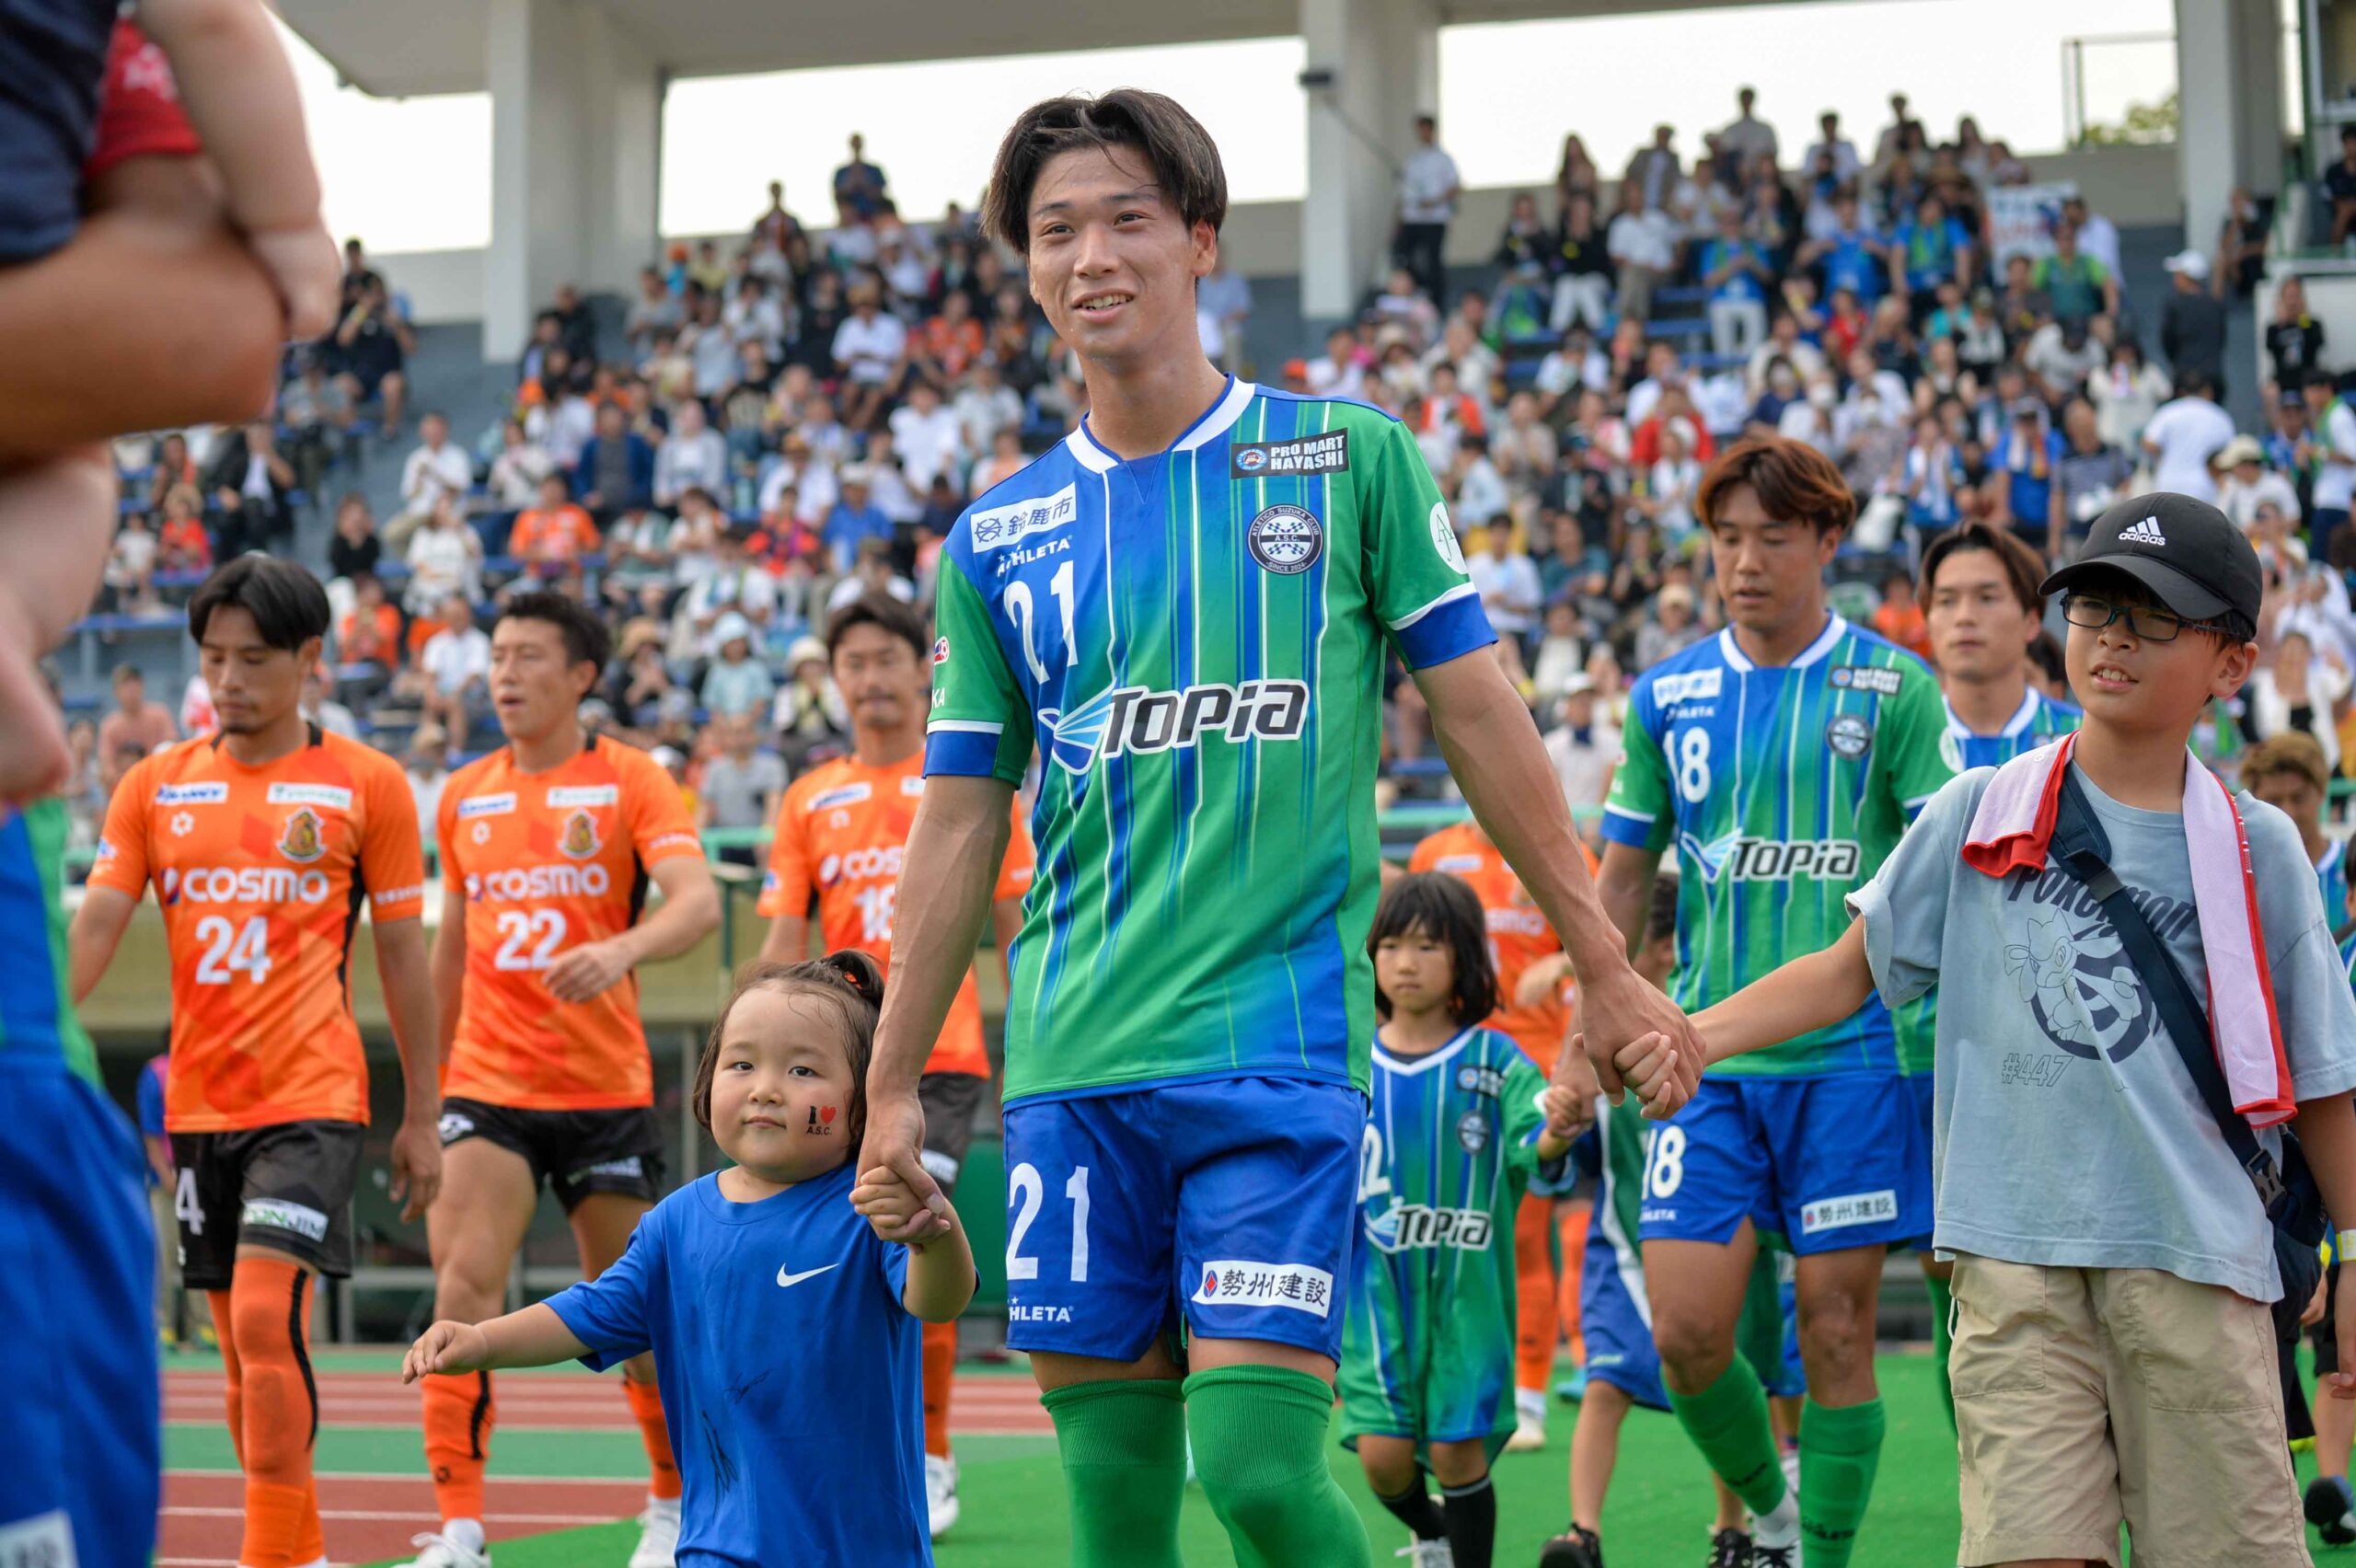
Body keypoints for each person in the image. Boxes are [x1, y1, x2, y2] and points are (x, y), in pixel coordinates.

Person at [858, 88, 1694, 1568]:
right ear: (1029, 267)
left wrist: (1605, 963)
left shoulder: (1345, 458)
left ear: (1199, 240)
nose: (1092, 256)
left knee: (1253, 1469)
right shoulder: (995, 539)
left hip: (1276, 1056)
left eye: (1126, 219)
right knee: (1116, 1511)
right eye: (1057, 231)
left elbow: (1482, 715)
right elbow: (957, 826)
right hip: (1071, 1068)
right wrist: (891, 1085)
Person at [1616, 492, 2356, 1567]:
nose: (2112, 637)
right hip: (2014, 1275)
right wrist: (1695, 1036)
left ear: (2232, 664)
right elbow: (1847, 971)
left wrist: (2353, 1255)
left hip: (2198, 1270)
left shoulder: (2259, 846)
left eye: (2154, 617)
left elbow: (2325, 1080)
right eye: (2095, 607)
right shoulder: (1979, 808)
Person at [1595, 436, 1956, 1568]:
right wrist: (1592, 1020)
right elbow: (1621, 878)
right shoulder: (1666, 695)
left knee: (1836, 1334)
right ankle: (1776, 1516)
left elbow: (1939, 871)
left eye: (1772, 537)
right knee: (1685, 1335)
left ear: (1828, 540)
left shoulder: (1893, 688)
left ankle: (1819, 1560)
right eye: (1725, 539)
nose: (1744, 561)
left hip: (1850, 1064)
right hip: (1699, 1064)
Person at [71, 556, 442, 1568]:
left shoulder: (367, 784)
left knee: (266, 1320)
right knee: (239, 1354)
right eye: (212, 658)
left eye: (253, 659)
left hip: (312, 1098)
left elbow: (404, 961)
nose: (226, 680)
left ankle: (266, 1557)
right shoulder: (154, 785)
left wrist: (421, 1114)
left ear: (310, 659)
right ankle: (302, 1547)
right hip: (198, 1106)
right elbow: (97, 922)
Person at [401, 952, 976, 1567]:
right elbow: (589, 1313)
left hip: (862, 1551)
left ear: (865, 1101)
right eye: (742, 1063)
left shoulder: (870, 1206)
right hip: (716, 1549)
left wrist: (931, 1230)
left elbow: (939, 1300)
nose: (764, 1088)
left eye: (803, 1069)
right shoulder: (674, 1225)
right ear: (707, 1081)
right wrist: (482, 1340)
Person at [401, 594, 717, 1568]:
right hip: (487, 1087)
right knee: (462, 1287)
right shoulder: (463, 793)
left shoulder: (631, 779)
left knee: (635, 1313)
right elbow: (452, 948)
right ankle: (460, 1528)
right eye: (496, 655)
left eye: (528, 655)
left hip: (603, 1091)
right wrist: (431, 1090)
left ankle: (669, 1506)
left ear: (581, 675)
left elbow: (699, 904)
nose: (504, 672)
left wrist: (621, 948)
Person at [756, 593, 1034, 1538]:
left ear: (924, 670)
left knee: (919, 1228)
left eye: (886, 659)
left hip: (940, 1063)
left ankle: (933, 1453)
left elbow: (1016, 935)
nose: (869, 679)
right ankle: (850, 1446)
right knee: (830, 1255)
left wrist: (1030, 1052)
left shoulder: (969, 786)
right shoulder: (806, 798)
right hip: (839, 1067)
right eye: (853, 663)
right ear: (832, 680)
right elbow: (781, 949)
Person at [1540, 874, 1803, 1568]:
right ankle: (1583, 1532)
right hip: (1622, 1247)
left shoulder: (1721, 1032)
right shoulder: (1592, 1034)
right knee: (1604, 1384)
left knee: (1725, 1372)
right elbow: (1563, 1147)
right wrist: (1559, 1125)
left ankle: (1733, 1526)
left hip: (1716, 1239)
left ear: (1664, 946)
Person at [1343, 873, 1585, 1568]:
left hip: (1467, 1296)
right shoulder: (1346, 1060)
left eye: (1427, 946)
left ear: (1465, 957)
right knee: (1383, 1458)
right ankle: (1435, 1535)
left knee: (1456, 1451)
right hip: (1374, 1295)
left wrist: (1560, 1126)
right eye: (1391, 945)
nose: (1406, 963)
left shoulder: (1495, 1060)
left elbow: (1537, 1141)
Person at [1406, 815, 1600, 1452]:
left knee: (1522, 1237)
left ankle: (1528, 1396)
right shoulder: (1435, 852)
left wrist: (1563, 962)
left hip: (1532, 1068)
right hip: (1446, 1065)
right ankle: (1433, 1389)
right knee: (1434, 1229)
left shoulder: (1561, 849)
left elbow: (1611, 938)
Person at [2243, 732, 2350, 940]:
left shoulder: (2349, 868)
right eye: (2273, 801)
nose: (2288, 812)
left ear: (2321, 792)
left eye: (2298, 798)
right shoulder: (2242, 877)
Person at [1395, 113, 1461, 310]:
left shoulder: (1444, 159)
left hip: (1435, 219)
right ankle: (1416, 290)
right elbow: (1404, 193)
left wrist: (1433, 203)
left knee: (1433, 261)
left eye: (1425, 129)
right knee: (1402, 255)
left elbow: (1454, 186)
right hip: (1413, 219)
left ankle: (1437, 302)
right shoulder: (1413, 160)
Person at [2141, 371, 2236, 504]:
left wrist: (2164, 454)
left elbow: (2149, 444)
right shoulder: (2220, 416)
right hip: (2205, 487)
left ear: (2182, 392)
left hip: (2169, 484)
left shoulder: (2168, 412)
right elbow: (2231, 454)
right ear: (2208, 391)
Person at [98, 661, 179, 790]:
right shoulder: (110, 726)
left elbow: (172, 751)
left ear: (142, 687)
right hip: (124, 787)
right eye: (126, 686)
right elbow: (107, 766)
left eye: (135, 685)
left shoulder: (160, 715)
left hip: (159, 783)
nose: (131, 691)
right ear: (116, 691)